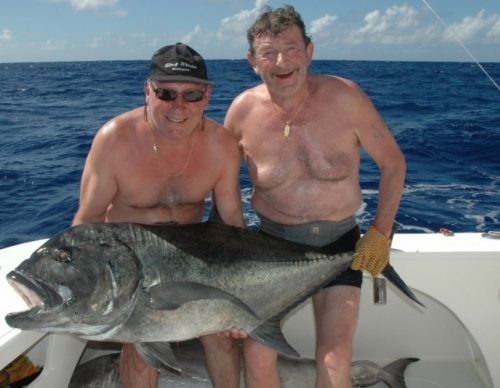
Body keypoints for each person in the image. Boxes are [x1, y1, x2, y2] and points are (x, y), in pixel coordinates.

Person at [224, 5, 406, 388]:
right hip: (272, 247)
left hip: (339, 244)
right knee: (256, 353)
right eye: (268, 53)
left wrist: (380, 232)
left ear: (309, 51)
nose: (281, 62)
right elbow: (221, 187)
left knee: (335, 357)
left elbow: (393, 164)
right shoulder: (241, 113)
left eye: (291, 49)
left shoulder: (346, 97)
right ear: (252, 61)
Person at [72, 42, 245, 388]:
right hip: (134, 273)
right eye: (166, 93)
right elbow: (86, 223)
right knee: (140, 351)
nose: (178, 106)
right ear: (147, 91)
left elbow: (232, 227)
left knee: (223, 338)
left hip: (194, 265)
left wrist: (238, 301)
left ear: (207, 95)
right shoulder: (114, 141)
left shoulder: (221, 145)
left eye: (191, 95)